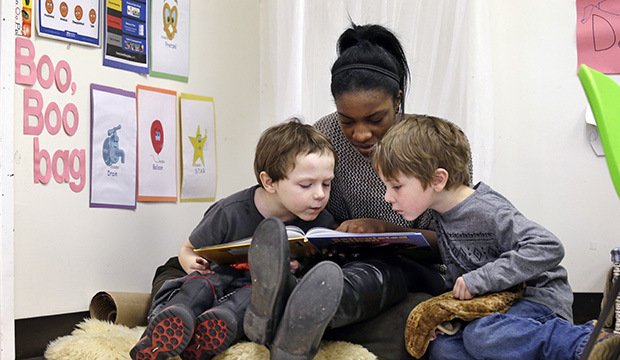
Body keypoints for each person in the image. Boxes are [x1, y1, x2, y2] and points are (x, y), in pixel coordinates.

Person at [372, 114, 620, 360]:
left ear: (438, 179)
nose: (387, 197)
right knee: (443, 348)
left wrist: (481, 279)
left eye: (396, 186)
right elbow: (460, 278)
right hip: (493, 307)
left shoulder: (486, 209)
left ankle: (585, 342)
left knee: (482, 335)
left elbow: (549, 246)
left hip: (536, 300)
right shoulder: (442, 215)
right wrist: (448, 316)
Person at [130, 118, 338, 360]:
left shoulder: (321, 223)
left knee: (251, 300)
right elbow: (188, 249)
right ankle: (167, 325)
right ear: (269, 182)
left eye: (327, 184)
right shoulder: (231, 212)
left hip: (255, 292)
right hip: (217, 278)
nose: (320, 195)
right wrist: (192, 263)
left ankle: (209, 334)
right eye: (306, 185)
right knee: (198, 285)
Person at [312, 22, 450, 358]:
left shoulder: (434, 143)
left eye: (375, 119)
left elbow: (454, 246)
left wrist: (385, 231)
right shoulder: (322, 134)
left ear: (398, 99)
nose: (360, 134)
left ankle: (321, 310)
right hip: (344, 262)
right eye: (347, 120)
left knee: (382, 272)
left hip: (416, 268)